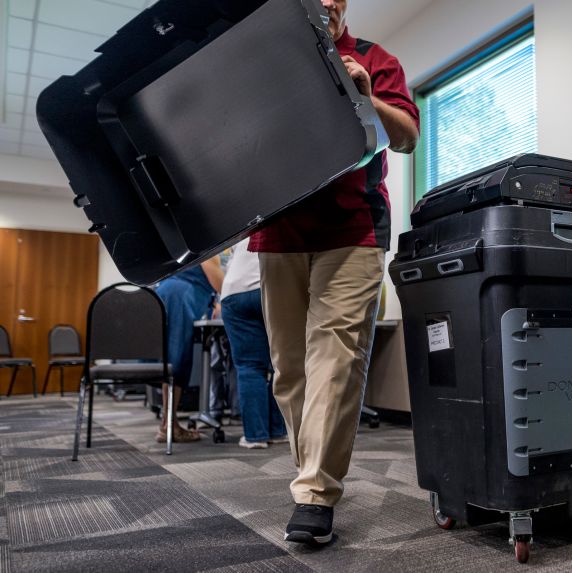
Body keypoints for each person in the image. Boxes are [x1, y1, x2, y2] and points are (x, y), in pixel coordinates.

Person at [249, 0, 419, 546]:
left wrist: (366, 97)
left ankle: (315, 494)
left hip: (354, 229)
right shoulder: (270, 65)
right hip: (279, 228)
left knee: (336, 358)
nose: (328, 1)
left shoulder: (375, 58)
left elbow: (409, 135)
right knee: (290, 370)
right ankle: (311, 476)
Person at [220, 238, 288, 449]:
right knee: (281, 364)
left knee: (249, 366)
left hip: (234, 292)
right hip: (271, 288)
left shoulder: (244, 226)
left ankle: (256, 436)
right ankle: (278, 431)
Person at [154, 256, 224, 443]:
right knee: (177, 361)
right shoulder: (207, 243)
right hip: (181, 298)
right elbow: (218, 282)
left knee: (171, 360)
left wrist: (214, 301)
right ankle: (169, 426)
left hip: (168, 293)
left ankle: (168, 422)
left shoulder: (185, 242)